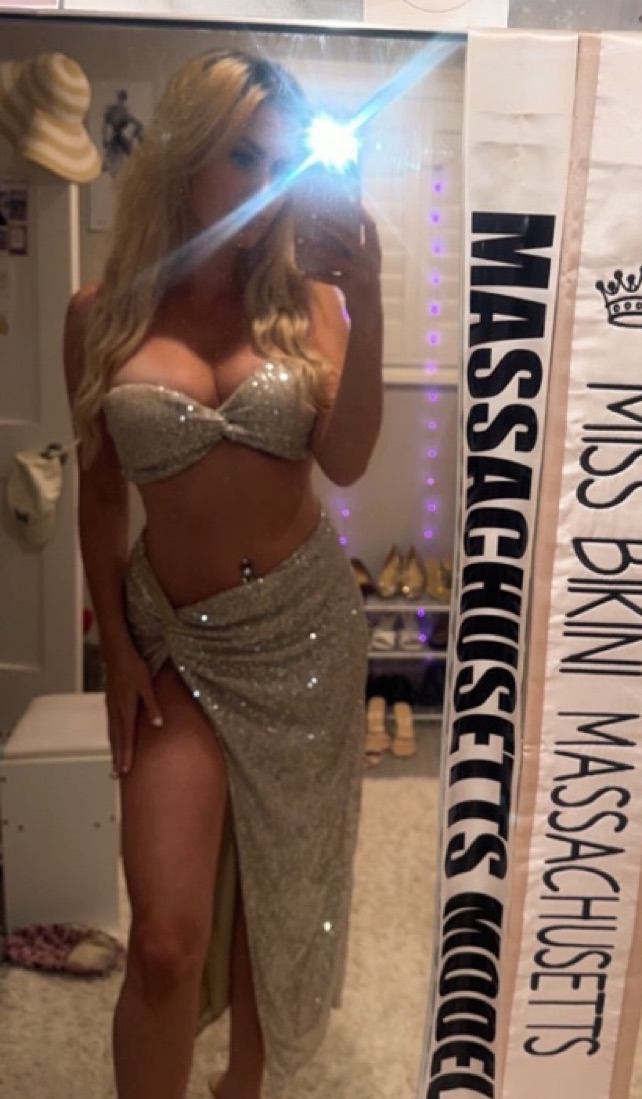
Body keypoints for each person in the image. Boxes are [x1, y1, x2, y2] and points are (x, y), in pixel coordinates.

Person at [63, 49, 383, 1099]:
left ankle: (242, 1082)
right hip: (178, 646)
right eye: (244, 157)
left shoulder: (314, 303)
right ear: (186, 153)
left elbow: (345, 461)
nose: (266, 185)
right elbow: (101, 498)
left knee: (278, 895)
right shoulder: (100, 314)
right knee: (163, 939)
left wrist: (369, 297)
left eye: (284, 164)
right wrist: (116, 653)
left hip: (306, 637)